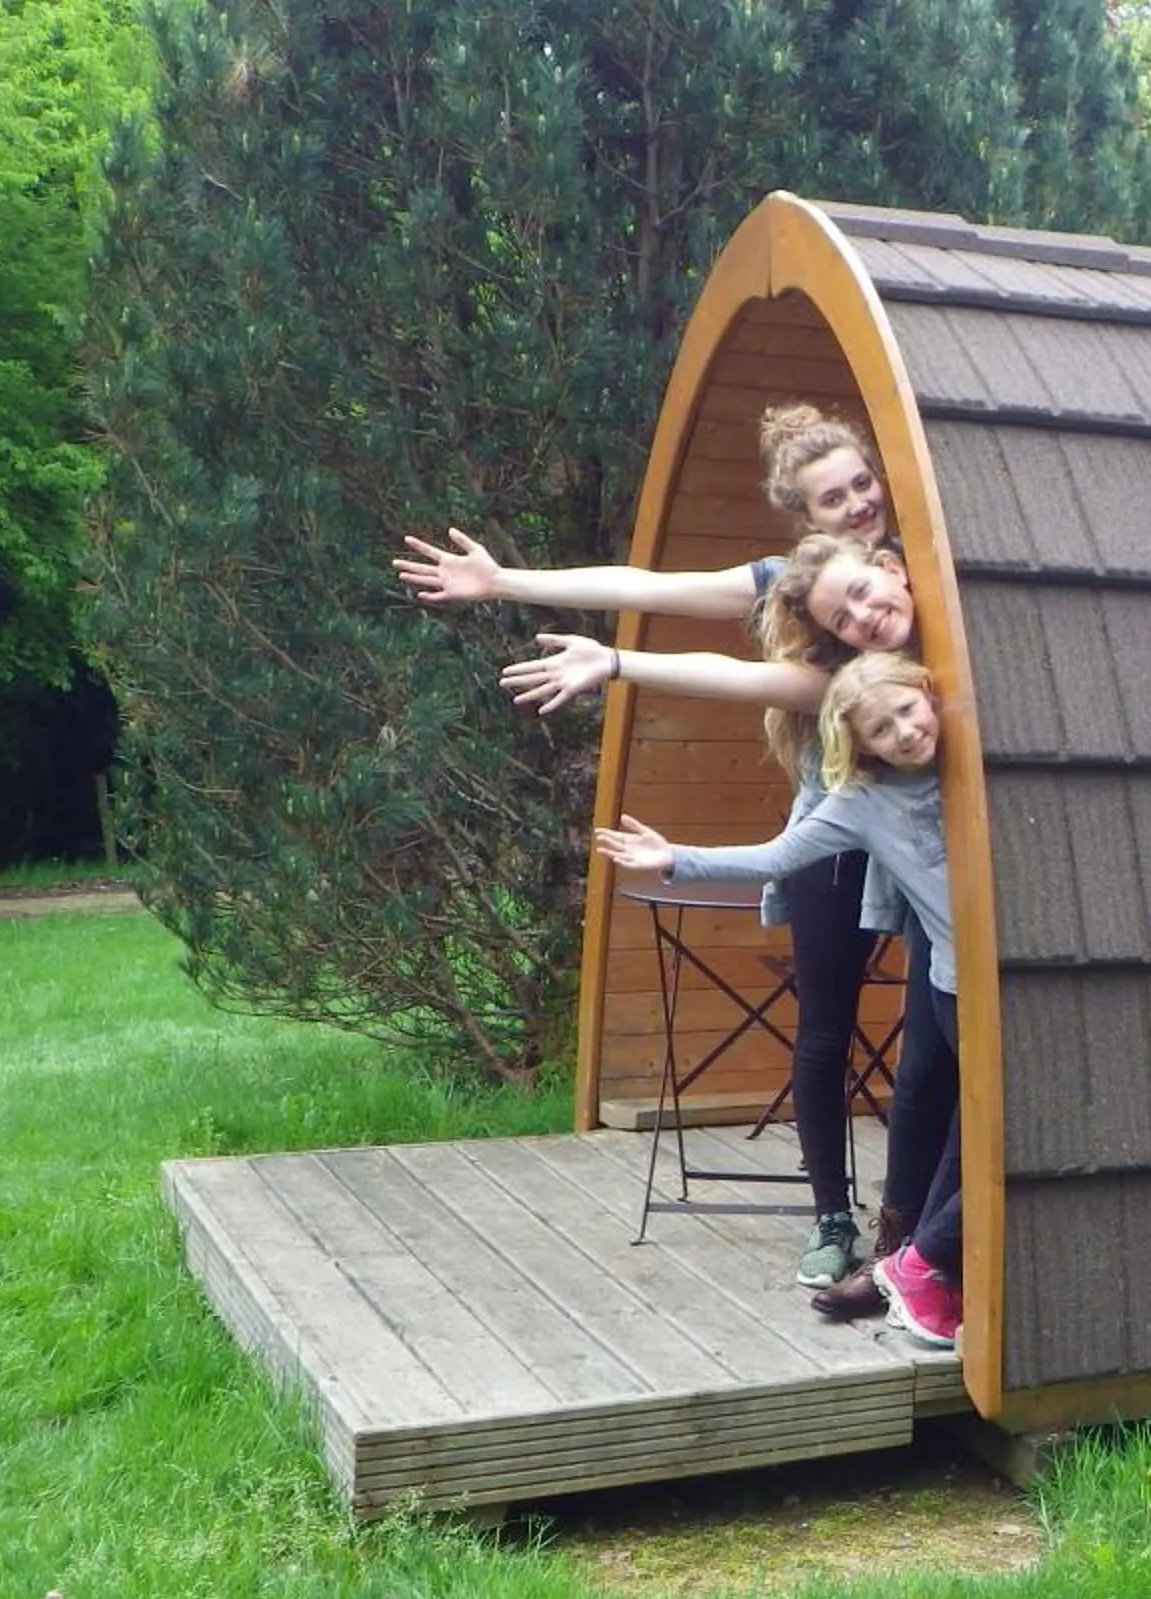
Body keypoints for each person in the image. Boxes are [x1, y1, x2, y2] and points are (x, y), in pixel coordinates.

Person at [392, 405, 928, 1295]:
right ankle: (833, 1217)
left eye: (863, 484)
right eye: (832, 499)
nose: (856, 505)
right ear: (806, 520)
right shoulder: (796, 593)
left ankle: (914, 1226)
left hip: (930, 823)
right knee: (828, 1020)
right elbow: (651, 586)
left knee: (936, 1022)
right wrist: (509, 585)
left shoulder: (918, 569)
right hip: (840, 820)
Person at [593, 647, 964, 1348]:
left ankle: (919, 1267)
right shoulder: (861, 804)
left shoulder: (967, 754)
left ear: (929, 693)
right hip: (955, 984)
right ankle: (918, 1266)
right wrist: (675, 858)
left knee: (969, 1138)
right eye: (882, 730)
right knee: (985, 1134)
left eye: (908, 711)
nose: (905, 733)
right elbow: (775, 858)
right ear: (862, 749)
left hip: (998, 977)